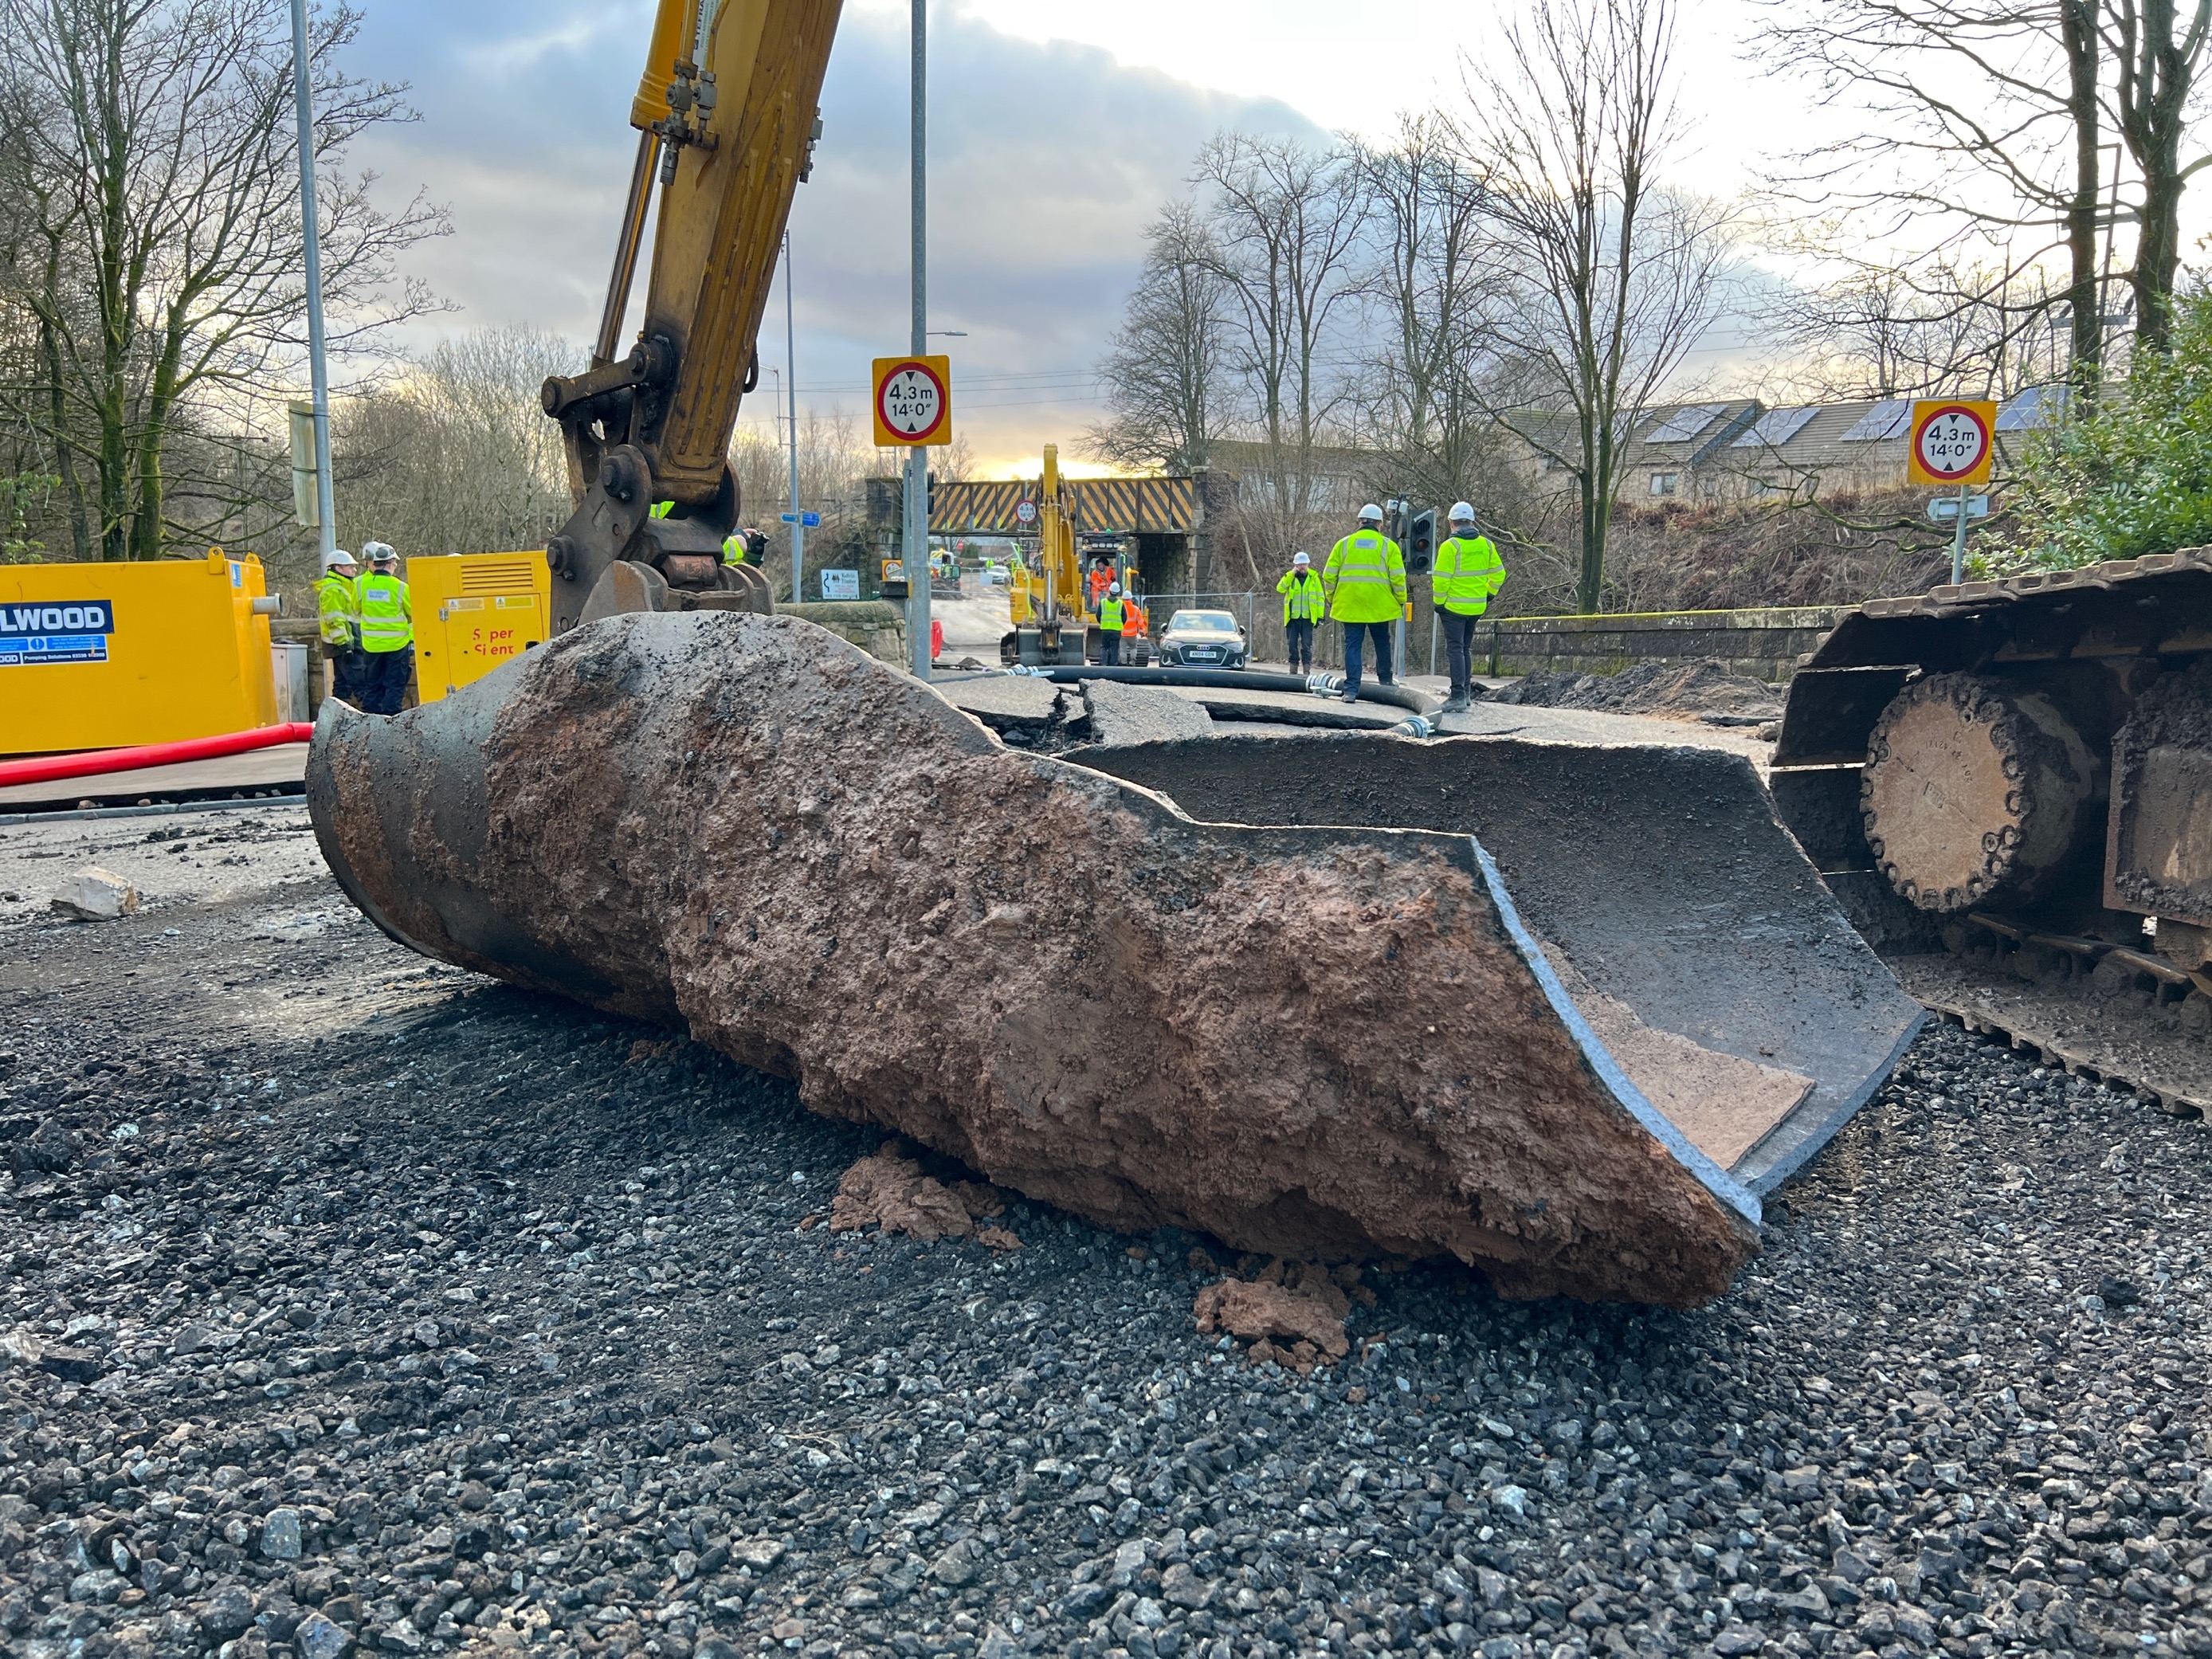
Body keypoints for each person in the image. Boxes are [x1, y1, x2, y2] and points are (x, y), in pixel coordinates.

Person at [1322, 504, 1406, 702]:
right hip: (1380, 605)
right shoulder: (1388, 546)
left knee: (1352, 645)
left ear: (1359, 522)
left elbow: (1329, 576)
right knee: (1382, 642)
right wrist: (1400, 600)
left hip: (1350, 605)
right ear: (1380, 524)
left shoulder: (1343, 545)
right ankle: (1386, 683)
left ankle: (1351, 690)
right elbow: (1398, 579)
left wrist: (1332, 598)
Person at [1431, 502, 1508, 712]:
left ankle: (1457, 696)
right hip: (1476, 607)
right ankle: (1464, 695)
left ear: (1451, 522)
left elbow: (1441, 580)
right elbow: (1500, 574)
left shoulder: (1450, 547)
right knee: (1465, 648)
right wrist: (1489, 593)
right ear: (1472, 521)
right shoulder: (1487, 545)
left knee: (1455, 649)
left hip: (1453, 608)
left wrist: (1439, 603)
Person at [355, 540, 414, 716]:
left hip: (371, 646)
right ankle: (392, 720)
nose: (395, 566)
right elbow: (414, 612)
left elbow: (356, 608)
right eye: (395, 563)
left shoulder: (360, 585)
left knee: (373, 686)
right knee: (395, 685)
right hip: (397, 645)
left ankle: (371, 722)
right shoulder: (400, 587)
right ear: (390, 564)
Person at [315, 547, 364, 706]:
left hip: (344, 643)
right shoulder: (333, 589)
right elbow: (335, 620)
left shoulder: (339, 587)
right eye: (350, 567)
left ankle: (336, 718)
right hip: (344, 644)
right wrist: (344, 644)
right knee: (360, 683)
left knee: (343, 685)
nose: (354, 570)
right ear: (338, 568)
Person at [1276, 551, 1325, 674]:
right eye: (1300, 564)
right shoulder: (1290, 578)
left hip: (1308, 618)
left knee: (1306, 645)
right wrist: (1291, 575)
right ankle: (1293, 670)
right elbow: (1280, 588)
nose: (1302, 567)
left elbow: (1320, 598)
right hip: (1292, 618)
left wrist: (1320, 616)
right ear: (1296, 565)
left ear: (1308, 564)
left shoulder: (1314, 579)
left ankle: (1306, 671)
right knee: (1292, 645)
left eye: (1304, 564)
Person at [1096, 582, 1127, 665]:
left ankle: (1103, 663)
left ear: (1109, 591)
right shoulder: (1120, 604)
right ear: (1118, 592)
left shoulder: (1103, 602)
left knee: (1104, 647)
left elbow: (1098, 615)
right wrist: (1120, 624)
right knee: (1115, 648)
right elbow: (1125, 617)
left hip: (1105, 630)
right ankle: (1114, 665)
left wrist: (1103, 623)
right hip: (1116, 631)